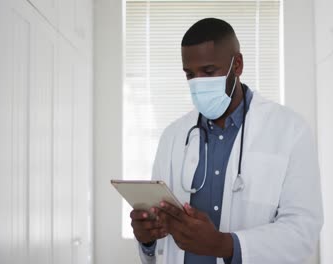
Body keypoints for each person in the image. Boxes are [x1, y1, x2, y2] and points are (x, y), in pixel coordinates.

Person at [130, 18, 323, 264]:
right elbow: (160, 243)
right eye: (190, 74)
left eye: (209, 71)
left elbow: (302, 232)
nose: (198, 83)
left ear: (238, 64)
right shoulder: (173, 136)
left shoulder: (290, 130)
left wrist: (225, 245)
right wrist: (147, 238)